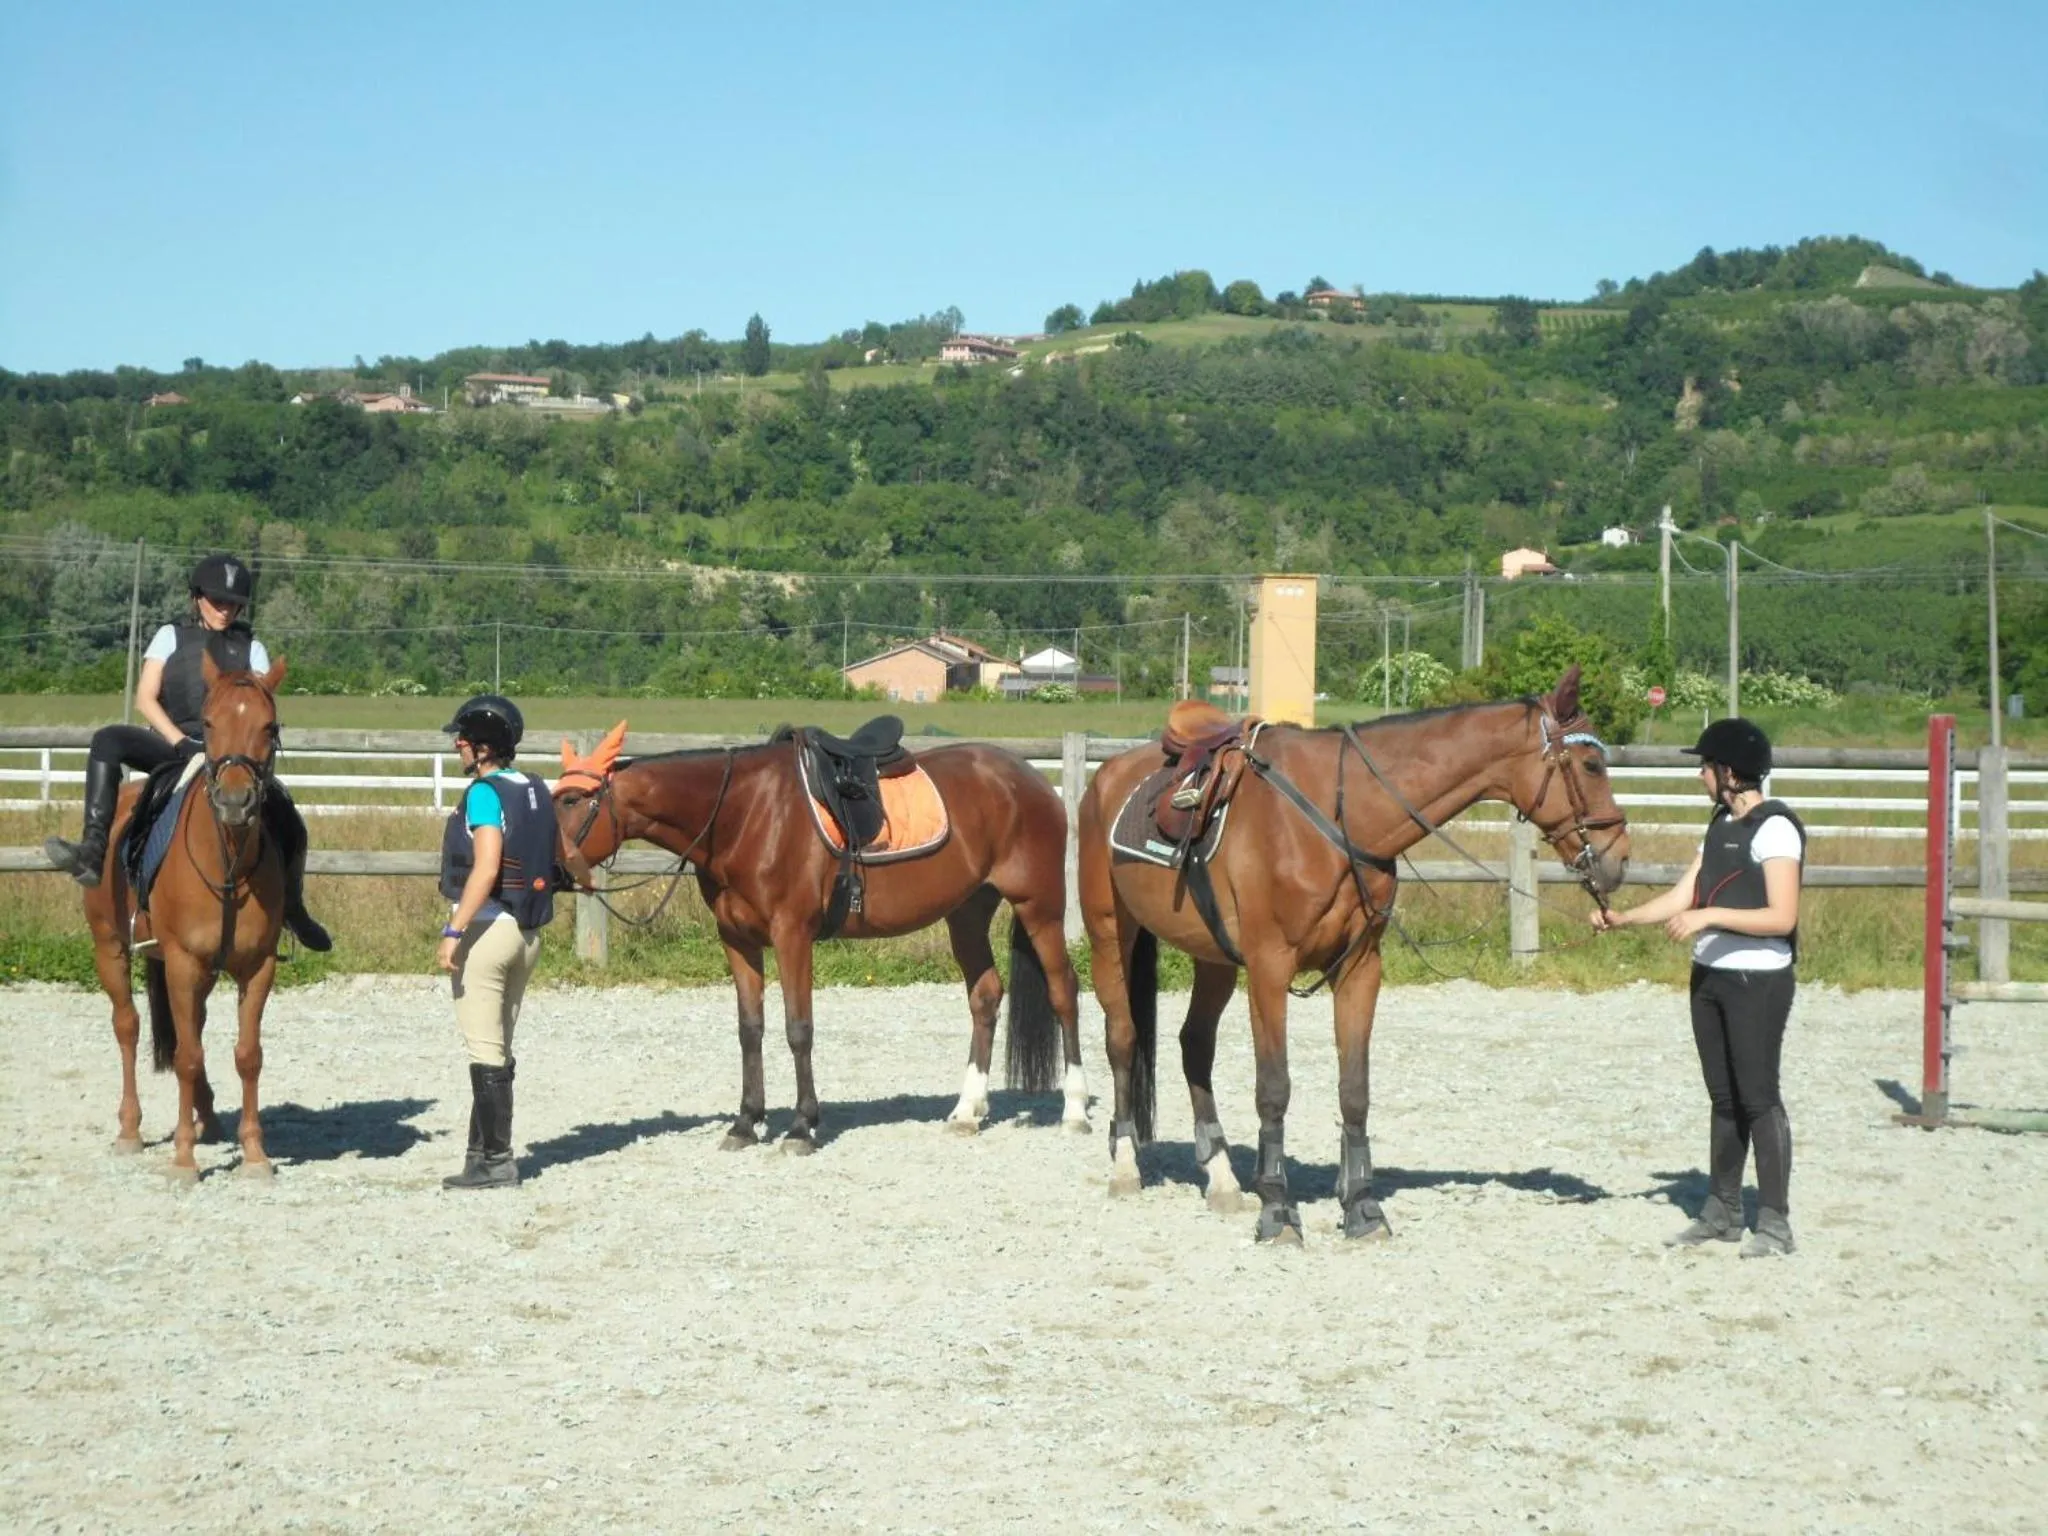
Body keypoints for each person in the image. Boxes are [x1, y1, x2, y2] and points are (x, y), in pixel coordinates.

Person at [1592, 716, 1804, 1258]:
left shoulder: (1776, 829)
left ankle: (1775, 1222)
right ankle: (1722, 1211)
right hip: (1709, 977)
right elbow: (1684, 896)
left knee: (1758, 1098)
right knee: (1723, 1098)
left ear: (1728, 771)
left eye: (1705, 766)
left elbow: (1781, 917)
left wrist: (1709, 917)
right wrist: (1625, 919)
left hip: (1757, 981)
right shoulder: (1718, 826)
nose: (1700, 775)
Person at [44, 553, 330, 951]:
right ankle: (93, 850)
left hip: (231, 755)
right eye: (217, 601)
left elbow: (261, 710)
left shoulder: (254, 648)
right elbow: (145, 698)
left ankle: (294, 907)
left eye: (233, 603)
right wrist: (180, 741)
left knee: (287, 813)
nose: (226, 610)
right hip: (172, 744)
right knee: (107, 740)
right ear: (197, 598)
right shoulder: (170, 636)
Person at [435, 693, 561, 1190]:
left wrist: (453, 930)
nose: (458, 745)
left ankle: (496, 1162)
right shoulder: (533, 787)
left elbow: (486, 866)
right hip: (528, 936)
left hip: (489, 931)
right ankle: (479, 1153)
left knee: (485, 1049)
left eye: (463, 739)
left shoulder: (484, 793)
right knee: (498, 1046)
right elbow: (564, 849)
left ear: (484, 747)